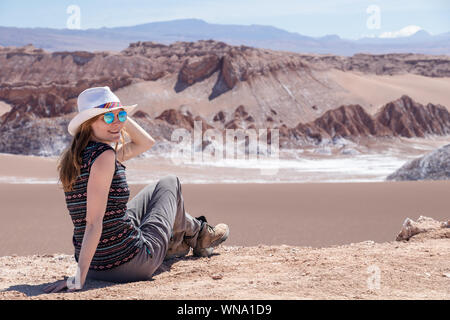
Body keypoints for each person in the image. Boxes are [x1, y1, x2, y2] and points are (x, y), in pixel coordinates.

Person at [44, 86, 229, 293]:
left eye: (120, 116)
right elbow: (93, 223)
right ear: (87, 125)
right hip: (131, 264)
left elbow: (145, 143)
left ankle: (189, 236)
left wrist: (115, 117)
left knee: (149, 194)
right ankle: (199, 235)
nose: (116, 122)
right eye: (106, 118)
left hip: (97, 266)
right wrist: (78, 278)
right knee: (170, 182)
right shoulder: (104, 157)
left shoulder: (78, 157)